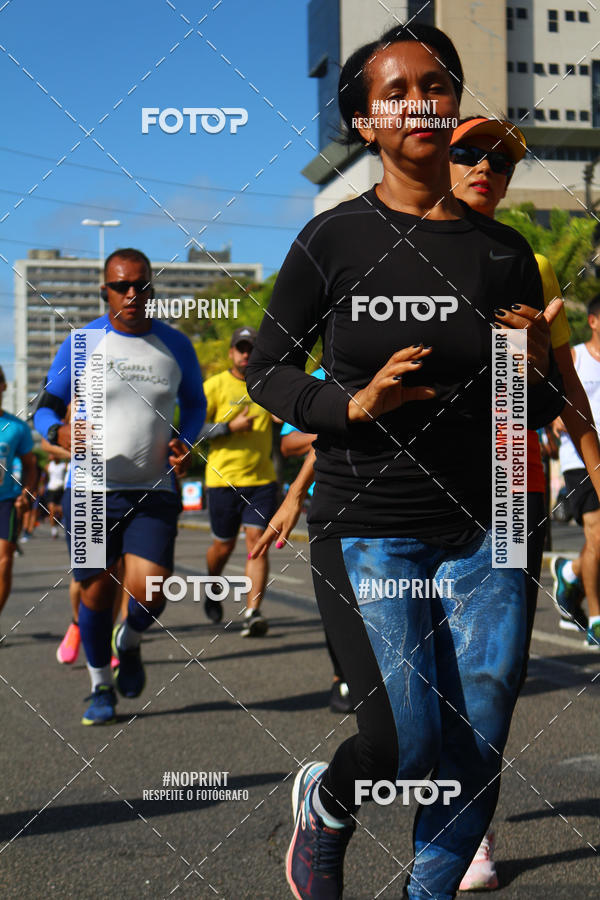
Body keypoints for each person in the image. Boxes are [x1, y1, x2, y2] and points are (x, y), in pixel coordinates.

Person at [246, 23, 565, 900]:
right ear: (362, 120)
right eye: (398, 91)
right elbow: (267, 369)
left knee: (479, 737)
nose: (421, 101)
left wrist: (531, 369)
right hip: (370, 525)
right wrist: (347, 406)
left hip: (491, 523)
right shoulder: (333, 240)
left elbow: (525, 411)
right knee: (402, 743)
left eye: (436, 84)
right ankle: (329, 806)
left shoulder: (506, 254)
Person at [448, 117, 600, 889]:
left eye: (502, 158)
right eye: (468, 153)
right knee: (417, 681)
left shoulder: (527, 261)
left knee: (492, 670)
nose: (486, 167)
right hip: (408, 492)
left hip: (512, 481)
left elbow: (564, 384)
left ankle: (471, 829)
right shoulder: (389, 251)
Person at [34, 248, 206, 724]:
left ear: (152, 288)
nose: (133, 294)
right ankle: (99, 687)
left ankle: (127, 640)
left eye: (141, 285)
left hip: (153, 488)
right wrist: (58, 432)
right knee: (94, 593)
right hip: (89, 488)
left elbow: (195, 405)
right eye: (122, 286)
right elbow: (45, 407)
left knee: (150, 588)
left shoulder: (176, 345)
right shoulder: (82, 343)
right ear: (104, 291)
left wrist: (185, 441)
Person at [279, 366, 352, 713]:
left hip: (387, 495)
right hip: (328, 497)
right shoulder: (315, 379)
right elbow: (288, 443)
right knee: (340, 595)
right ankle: (343, 676)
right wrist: (336, 423)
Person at [200, 326, 278, 637]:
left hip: (261, 480)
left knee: (256, 545)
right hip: (222, 481)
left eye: (252, 349)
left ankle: (252, 612)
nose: (246, 354)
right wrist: (227, 428)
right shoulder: (214, 386)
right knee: (223, 546)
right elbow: (192, 431)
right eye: (241, 348)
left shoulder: (269, 385)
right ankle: (212, 583)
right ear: (232, 353)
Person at [551, 293, 600, 652]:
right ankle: (597, 620)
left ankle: (569, 574)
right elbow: (556, 402)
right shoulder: (576, 356)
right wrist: (558, 420)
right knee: (598, 535)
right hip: (578, 458)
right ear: (594, 321)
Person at [0, 366, 37, 639]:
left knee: (3, 562)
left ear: (3, 387)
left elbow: (30, 466)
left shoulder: (17, 427)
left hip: (6, 501)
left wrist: (27, 493)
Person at [46, 453, 67, 538]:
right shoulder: (48, 466)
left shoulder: (64, 465)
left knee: (62, 510)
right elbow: (44, 478)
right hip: (51, 490)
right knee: (51, 510)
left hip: (60, 489)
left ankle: (63, 525)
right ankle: (53, 530)